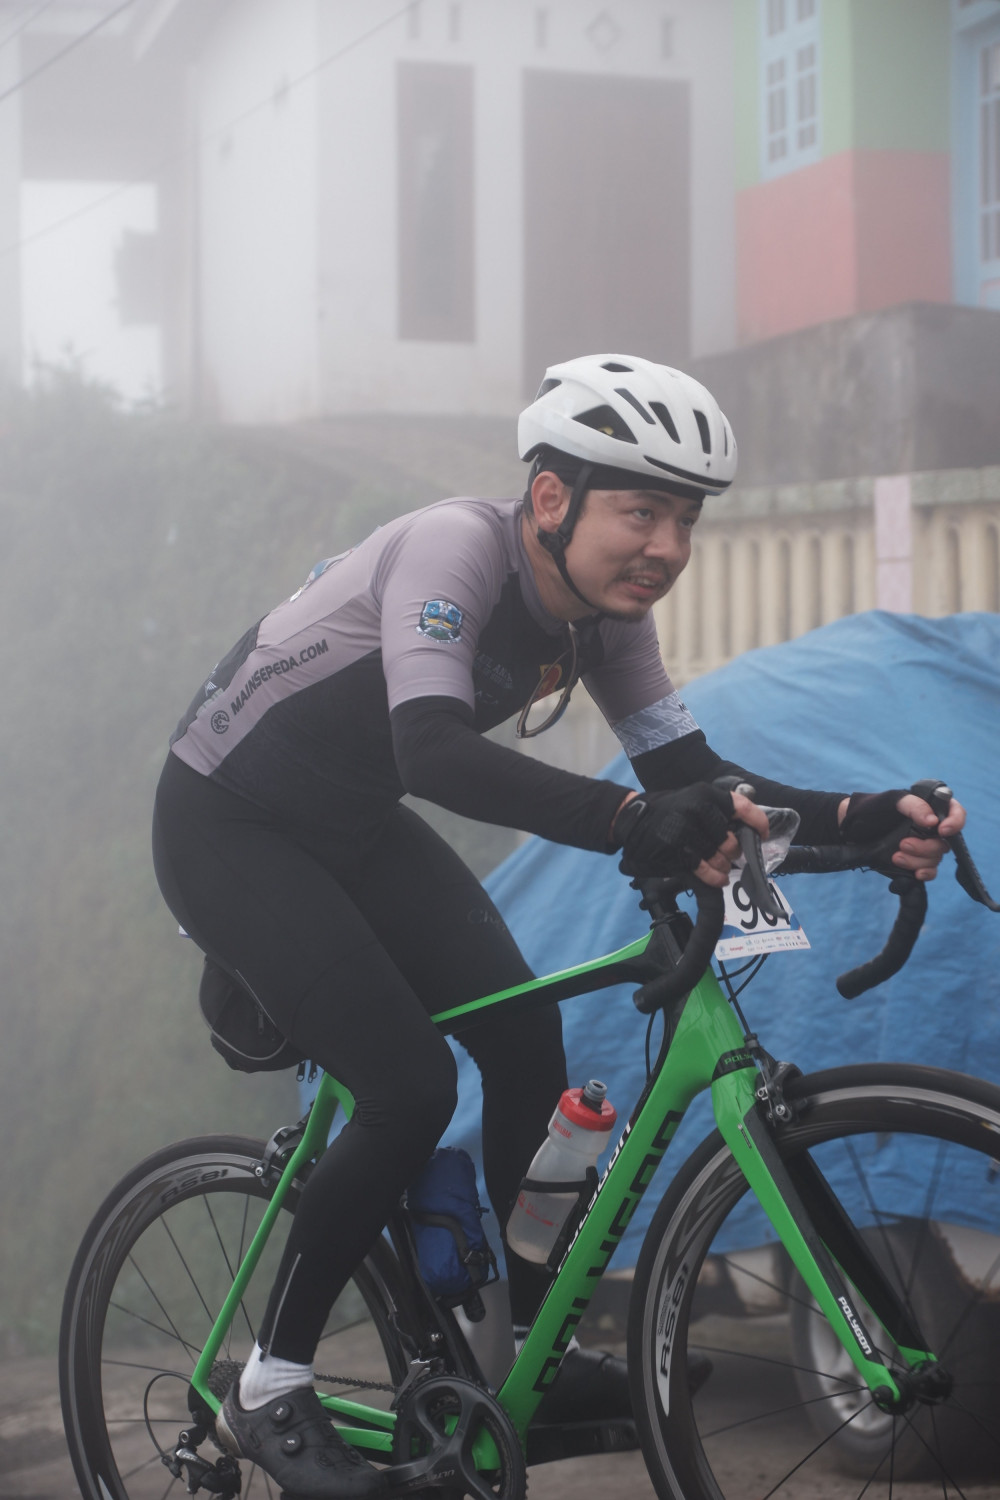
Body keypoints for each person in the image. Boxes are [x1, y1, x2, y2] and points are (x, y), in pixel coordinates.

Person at [152, 353, 964, 1498]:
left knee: (527, 1039)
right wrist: (631, 820)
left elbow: (691, 775)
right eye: (642, 512)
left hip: (351, 824)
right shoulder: (455, 551)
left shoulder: (604, 623)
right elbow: (430, 750)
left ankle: (533, 1340)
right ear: (550, 497)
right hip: (228, 822)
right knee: (407, 1088)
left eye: (684, 520)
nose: (666, 546)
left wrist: (858, 818)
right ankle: (270, 1380)